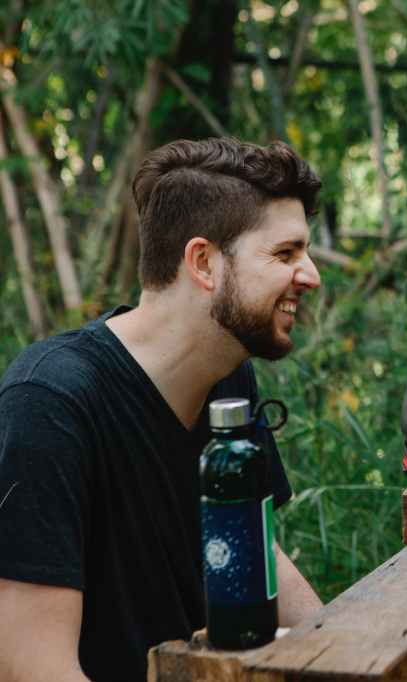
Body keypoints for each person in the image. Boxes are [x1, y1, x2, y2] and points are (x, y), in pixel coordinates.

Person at [0, 139, 327, 681]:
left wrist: (346, 662)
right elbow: (31, 666)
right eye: (285, 254)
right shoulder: (50, 403)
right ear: (203, 262)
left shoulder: (229, 379)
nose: (311, 275)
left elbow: (256, 548)